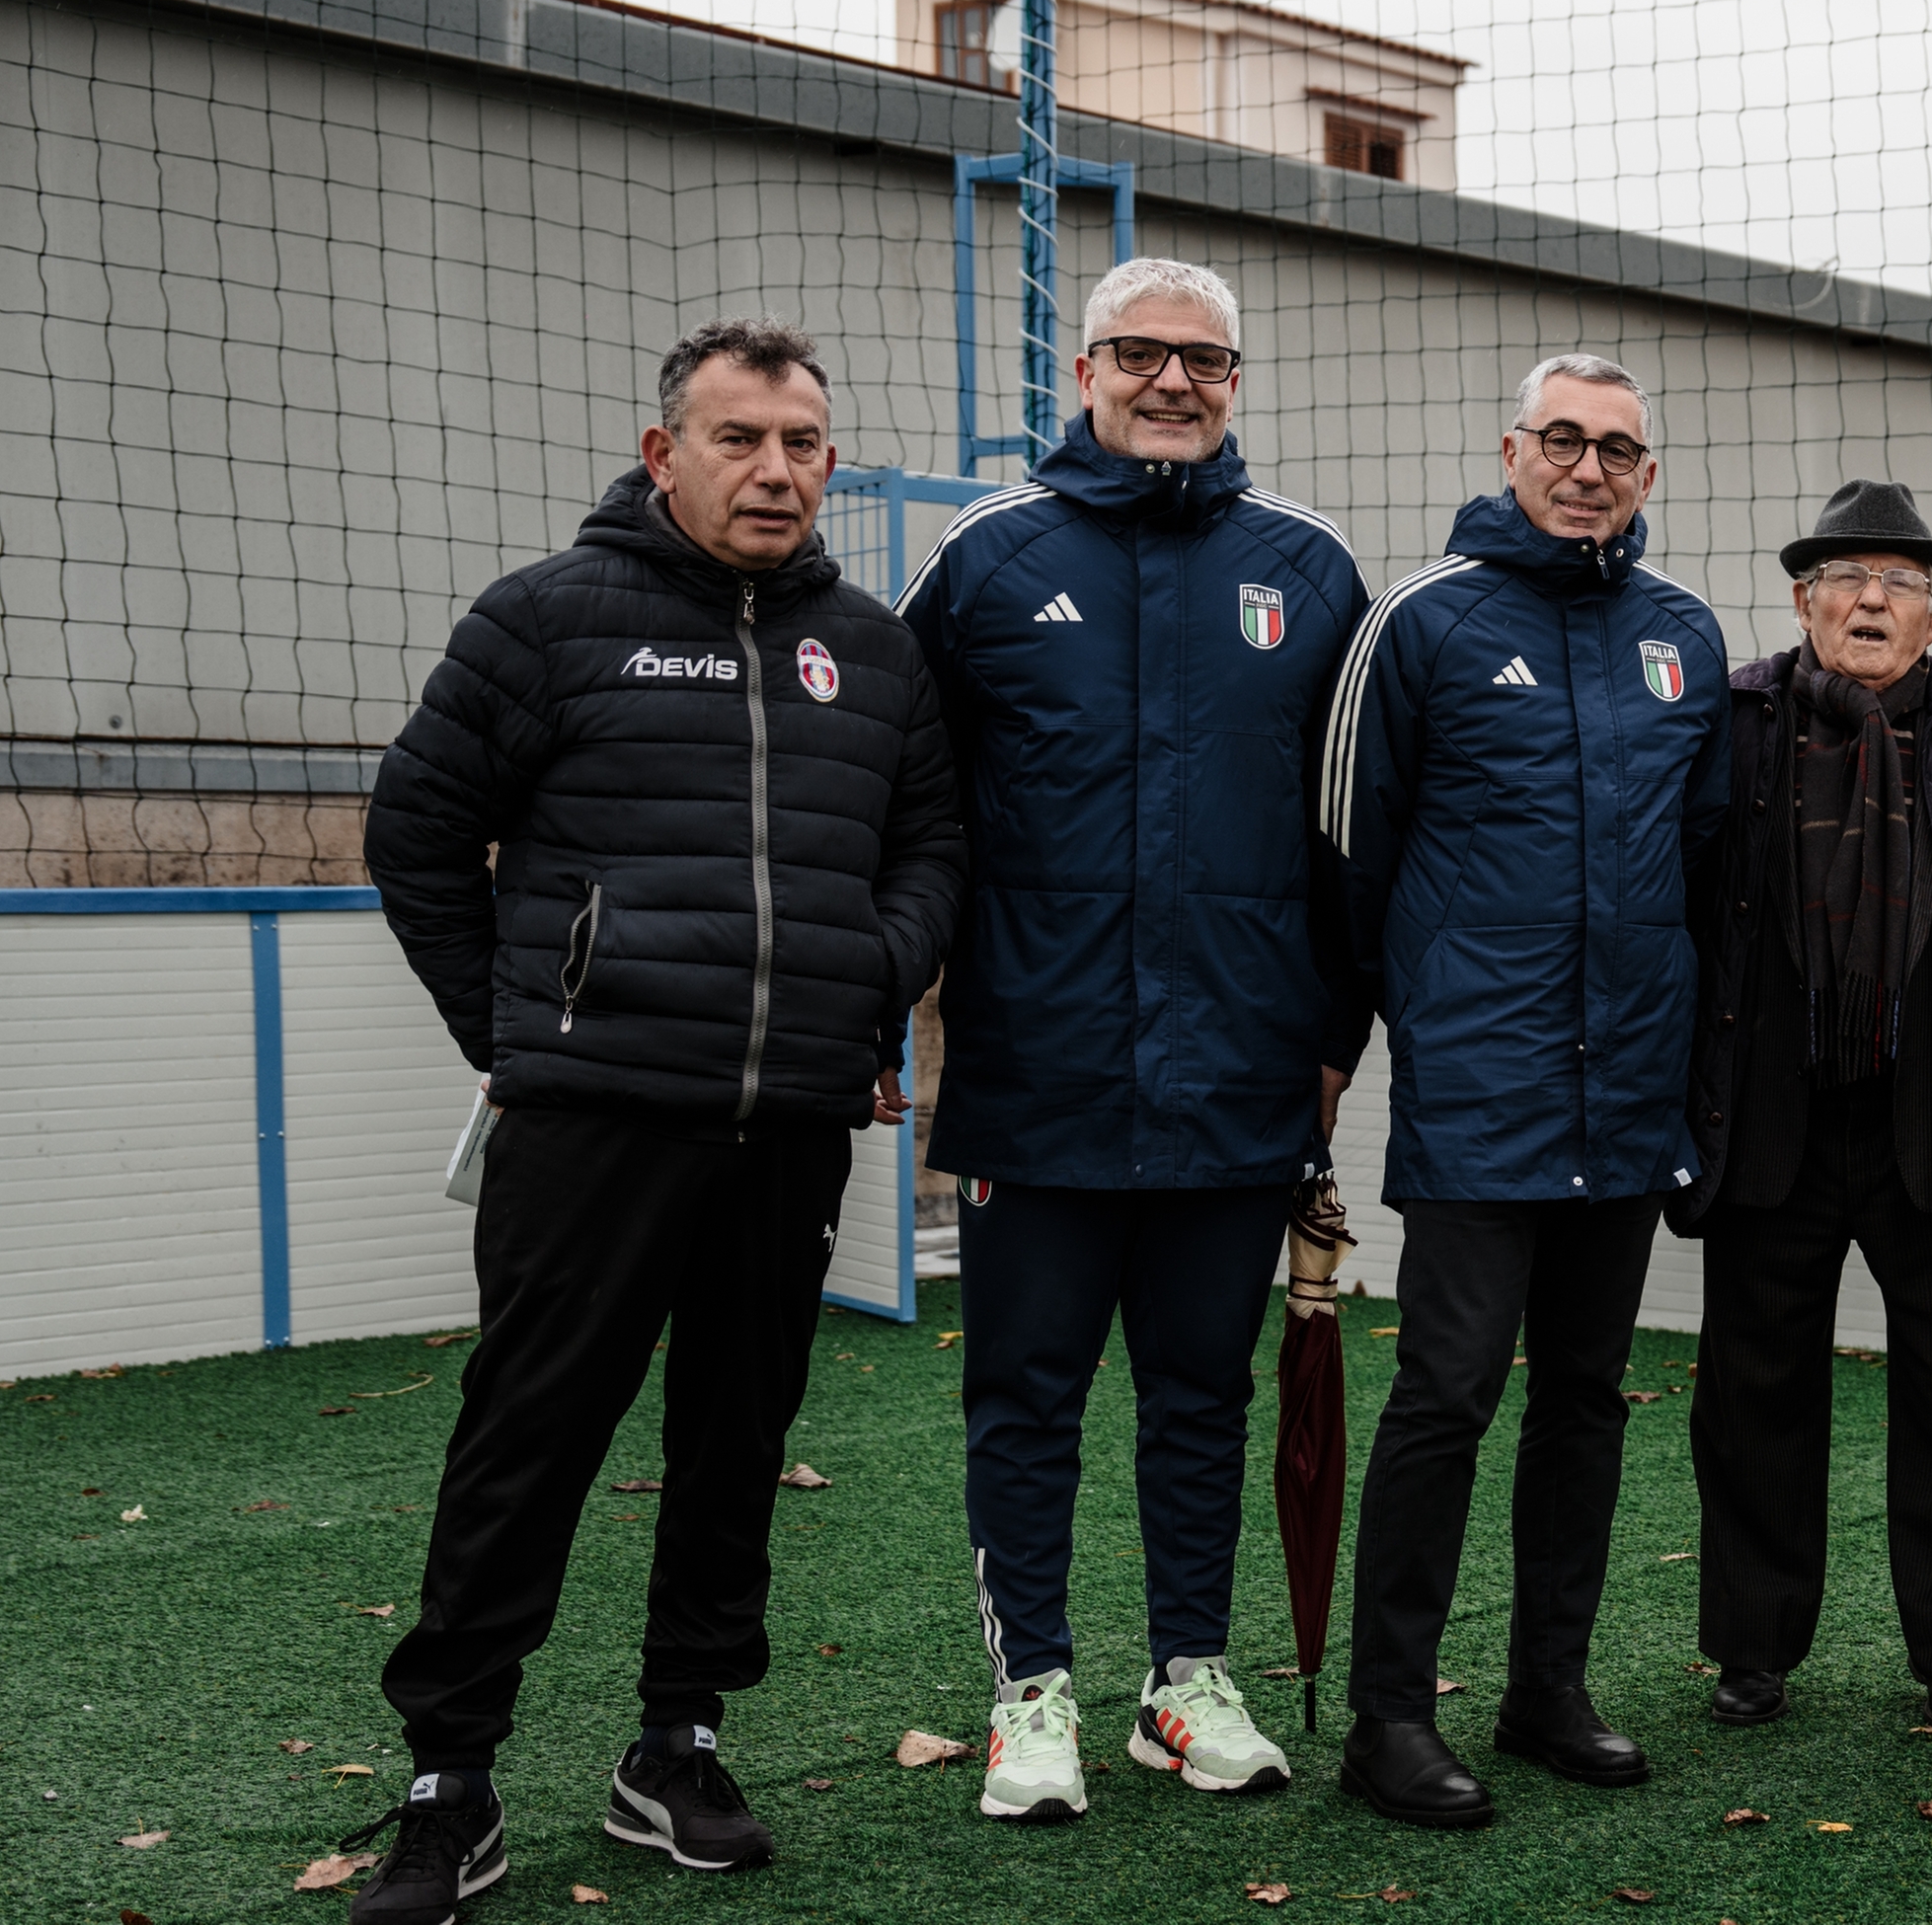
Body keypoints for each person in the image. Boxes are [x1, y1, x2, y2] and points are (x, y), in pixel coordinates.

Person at [350, 320, 966, 1921]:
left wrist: (868, 979)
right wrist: (512, 1023)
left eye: (802, 442)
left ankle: (676, 1743)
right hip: (590, 1125)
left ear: (831, 461)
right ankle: (450, 1775)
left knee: (732, 1441)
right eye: (740, 438)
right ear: (664, 453)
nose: (775, 469)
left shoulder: (876, 651)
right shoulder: (547, 623)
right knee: (528, 1439)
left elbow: (933, 851)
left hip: (786, 1127)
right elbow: (416, 830)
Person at [897, 259, 1371, 1821]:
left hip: (1239, 1077)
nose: (1175, 382)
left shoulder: (1309, 572)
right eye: (1144, 355)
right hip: (1038, 1076)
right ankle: (1030, 1694)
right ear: (1085, 368)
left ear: (1238, 380)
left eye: (1207, 361)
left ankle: (1186, 1681)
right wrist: (901, 997)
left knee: (1201, 1397)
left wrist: (1333, 1038)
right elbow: (901, 797)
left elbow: (1354, 836)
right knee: (1025, 1400)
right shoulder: (985, 560)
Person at [1320, 353, 1729, 1826]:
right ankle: (1387, 1718)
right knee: (1444, 1394)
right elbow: (1353, 864)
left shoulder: (1683, 635)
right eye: (1563, 438)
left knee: (1586, 1401)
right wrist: (1402, 1023)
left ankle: (1548, 1686)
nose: (1589, 467)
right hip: (1480, 1090)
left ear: (1648, 476)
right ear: (1512, 449)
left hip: (1625, 1098)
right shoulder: (1419, 622)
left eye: (1620, 447)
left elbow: (1701, 870)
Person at [1673, 481, 1932, 1736]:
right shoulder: (1732, 719)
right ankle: (1752, 1654)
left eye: (1899, 582)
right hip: (1769, 1117)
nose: (1872, 599)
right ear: (1803, 600)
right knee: (1751, 1400)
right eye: (1847, 578)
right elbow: (1683, 919)